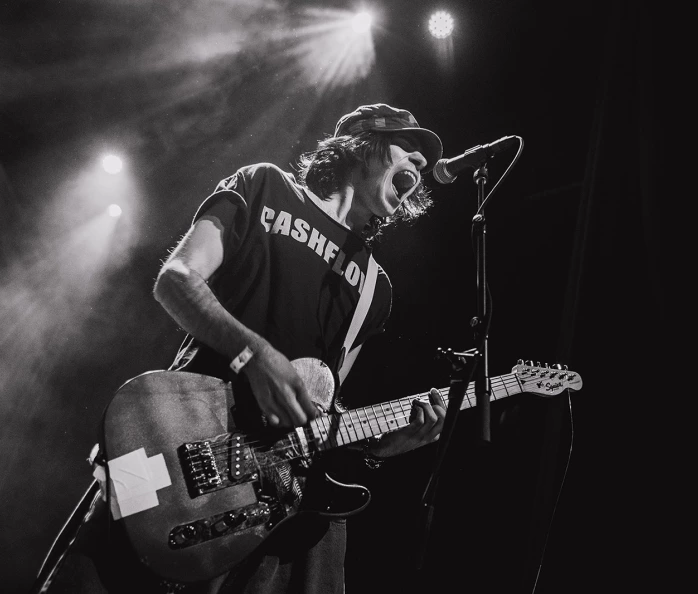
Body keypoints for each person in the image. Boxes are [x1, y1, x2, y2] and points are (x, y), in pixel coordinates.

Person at [37, 103, 448, 594]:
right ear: (362, 145)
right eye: (410, 148)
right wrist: (251, 355)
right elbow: (177, 278)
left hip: (275, 503)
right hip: (180, 448)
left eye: (425, 161)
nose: (421, 166)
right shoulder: (266, 186)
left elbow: (320, 406)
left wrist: (379, 446)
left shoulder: (374, 289)